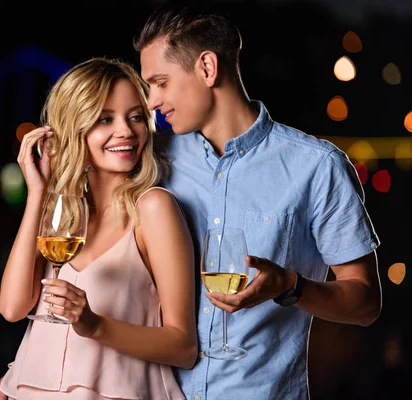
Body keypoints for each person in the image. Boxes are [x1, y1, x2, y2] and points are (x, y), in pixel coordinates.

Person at [133, 1, 383, 399]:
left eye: (160, 82)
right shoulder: (154, 161)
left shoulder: (316, 167)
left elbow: (365, 302)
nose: (151, 101)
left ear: (207, 68)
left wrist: (289, 285)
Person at [0, 57, 197, 399]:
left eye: (135, 117)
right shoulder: (63, 217)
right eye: (104, 119)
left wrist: (94, 324)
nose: (126, 131)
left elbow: (183, 347)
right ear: (75, 128)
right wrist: (38, 193)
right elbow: (12, 308)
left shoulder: (154, 208)